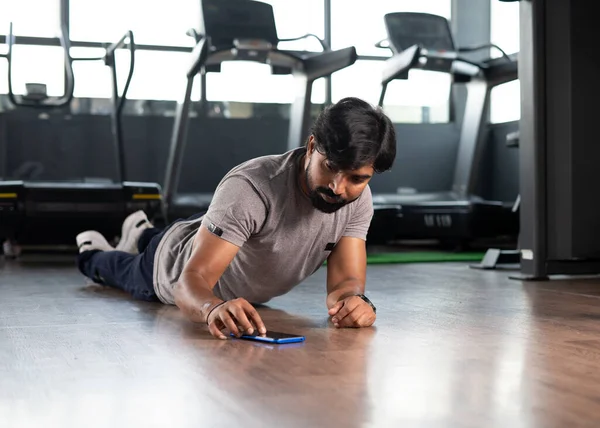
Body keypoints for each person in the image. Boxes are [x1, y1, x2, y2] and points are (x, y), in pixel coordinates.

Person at [75, 97, 397, 340]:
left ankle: (141, 231)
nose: (338, 188)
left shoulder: (357, 200)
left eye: (356, 178)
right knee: (118, 269)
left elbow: (344, 284)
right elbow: (191, 281)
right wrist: (212, 308)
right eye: (329, 168)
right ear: (312, 146)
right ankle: (92, 252)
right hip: (170, 268)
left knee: (187, 233)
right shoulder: (251, 188)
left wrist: (355, 303)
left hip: (212, 238)